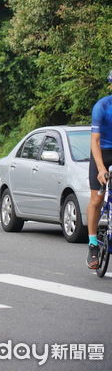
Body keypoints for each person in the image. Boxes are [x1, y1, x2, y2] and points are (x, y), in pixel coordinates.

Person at [86, 71, 112, 269]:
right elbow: (94, 141)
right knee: (96, 199)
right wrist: (101, 168)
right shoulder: (101, 107)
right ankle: (93, 244)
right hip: (102, 150)